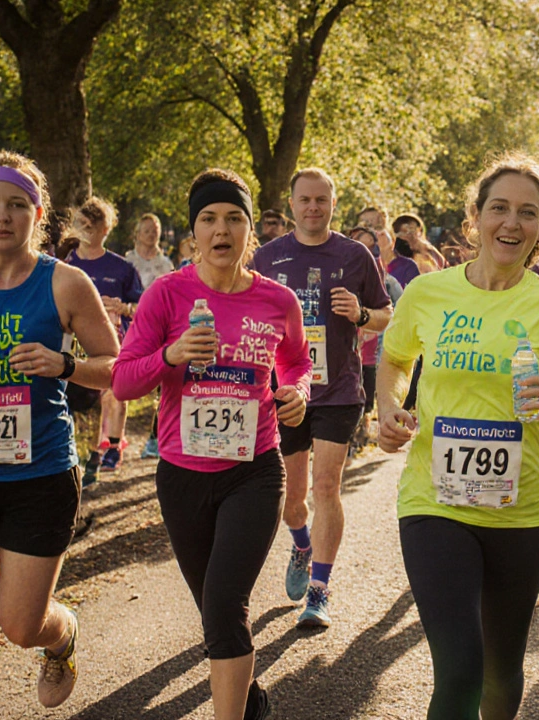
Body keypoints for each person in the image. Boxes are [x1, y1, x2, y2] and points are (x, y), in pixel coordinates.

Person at [377, 153, 539, 720]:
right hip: (434, 503)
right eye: (499, 208)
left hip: (522, 511)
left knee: (501, 671)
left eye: (527, 213)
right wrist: (387, 405)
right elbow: (394, 357)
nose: (512, 223)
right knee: (459, 671)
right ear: (475, 217)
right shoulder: (428, 294)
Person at [112, 168, 310, 719]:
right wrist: (171, 355)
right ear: (193, 231)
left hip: (254, 471)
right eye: (208, 219)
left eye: (234, 219)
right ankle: (248, 701)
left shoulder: (278, 300)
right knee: (215, 613)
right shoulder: (166, 294)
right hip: (181, 474)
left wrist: (295, 390)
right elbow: (124, 381)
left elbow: (296, 362)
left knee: (225, 604)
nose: (221, 229)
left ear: (251, 232)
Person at [0, 151, 118, 717]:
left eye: (16, 204)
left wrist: (64, 365)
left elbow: (116, 365)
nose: (2, 216)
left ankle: (61, 636)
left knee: (19, 623)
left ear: (38, 214)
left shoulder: (65, 283)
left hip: (41, 474)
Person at [251, 168, 392, 627]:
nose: (314, 207)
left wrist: (362, 312)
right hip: (287, 390)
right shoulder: (266, 257)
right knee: (294, 499)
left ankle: (320, 590)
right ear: (291, 204)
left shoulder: (355, 255)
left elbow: (386, 315)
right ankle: (302, 544)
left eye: (322, 200)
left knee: (327, 485)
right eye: (305, 200)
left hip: (338, 389)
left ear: (334, 203)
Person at [67, 197, 144, 482]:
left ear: (105, 229)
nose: (85, 230)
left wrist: (122, 307)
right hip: (71, 342)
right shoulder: (63, 264)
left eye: (91, 226)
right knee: (80, 397)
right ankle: (83, 453)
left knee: (112, 392)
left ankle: (112, 446)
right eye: (80, 225)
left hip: (113, 338)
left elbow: (142, 309)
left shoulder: (121, 268)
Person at [348, 225, 404, 454]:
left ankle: (363, 433)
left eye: (373, 248)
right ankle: (353, 436)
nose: (368, 252)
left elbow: (396, 313)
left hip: (373, 350)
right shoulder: (338, 271)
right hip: (345, 352)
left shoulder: (386, 281)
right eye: (361, 244)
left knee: (367, 394)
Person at [126, 213, 176, 460]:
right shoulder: (127, 262)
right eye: (146, 229)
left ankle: (156, 438)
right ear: (137, 233)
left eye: (155, 229)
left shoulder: (166, 264)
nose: (151, 233)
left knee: (163, 382)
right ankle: (112, 441)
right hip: (130, 327)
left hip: (161, 328)